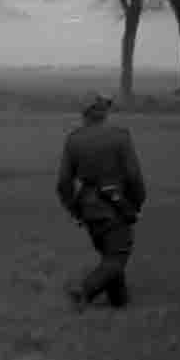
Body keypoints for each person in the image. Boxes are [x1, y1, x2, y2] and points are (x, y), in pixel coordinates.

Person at [56, 93, 146, 309]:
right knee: (118, 255)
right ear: (103, 113)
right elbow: (134, 176)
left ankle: (119, 302)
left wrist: (74, 210)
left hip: (88, 207)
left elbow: (63, 183)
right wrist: (135, 204)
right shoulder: (120, 137)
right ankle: (84, 291)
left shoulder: (74, 139)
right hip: (116, 204)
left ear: (84, 114)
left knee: (110, 253)